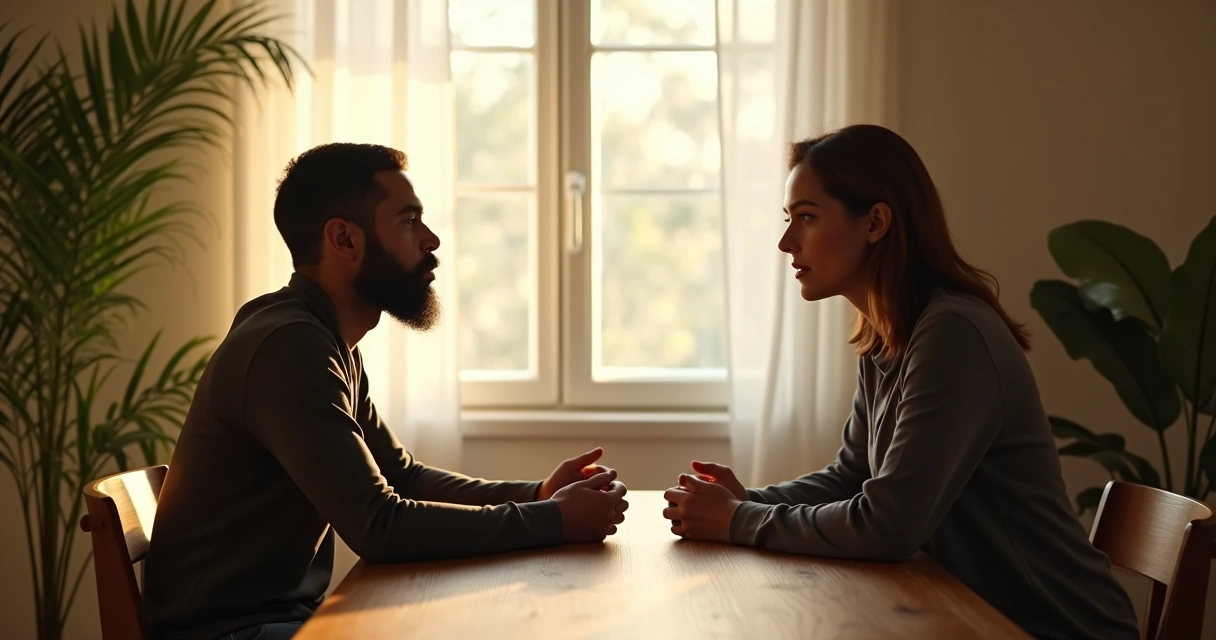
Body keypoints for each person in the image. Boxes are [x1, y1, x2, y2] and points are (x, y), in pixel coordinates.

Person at [661, 124, 1139, 640]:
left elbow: (888, 527)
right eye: (788, 218)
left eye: (807, 217)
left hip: (1055, 629)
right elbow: (851, 477)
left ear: (876, 222)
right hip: (974, 617)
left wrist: (737, 520)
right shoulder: (891, 333)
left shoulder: (953, 333)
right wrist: (748, 501)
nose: (785, 241)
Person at [144, 143, 628, 640]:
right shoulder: (289, 346)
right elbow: (380, 525)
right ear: (344, 239)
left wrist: (539, 495)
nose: (431, 240)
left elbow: (402, 477)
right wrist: (552, 519)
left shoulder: (324, 340)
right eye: (409, 221)